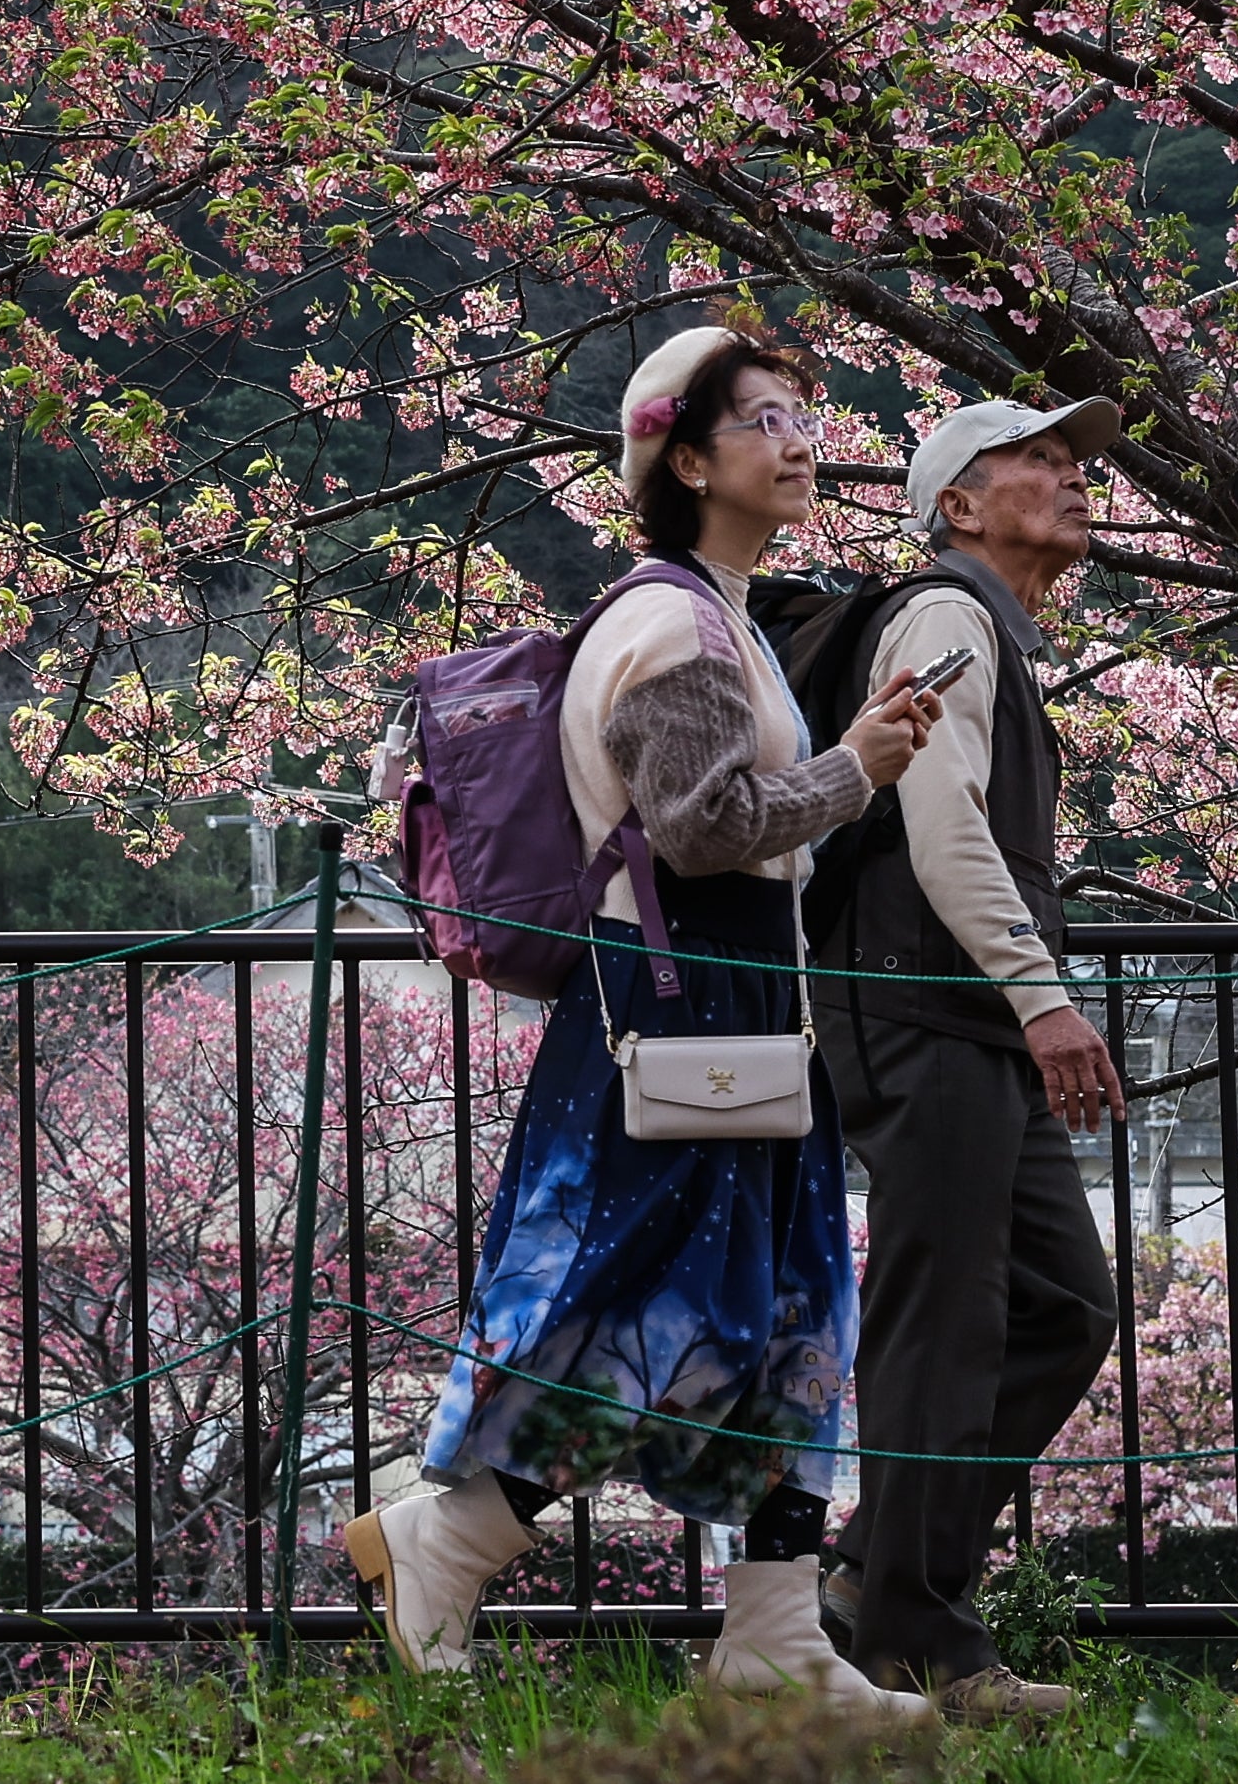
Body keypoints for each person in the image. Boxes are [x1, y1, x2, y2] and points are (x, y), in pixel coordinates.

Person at [343, 323, 941, 1708]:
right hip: (674, 999)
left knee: (780, 1309)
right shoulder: (673, 623)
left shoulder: (710, 607)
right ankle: (446, 1541)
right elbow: (701, 824)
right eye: (765, 420)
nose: (799, 440)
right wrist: (856, 769)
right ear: (682, 456)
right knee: (634, 1311)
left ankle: (777, 1638)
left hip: (718, 1001)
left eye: (804, 414)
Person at [812, 398, 1133, 1723]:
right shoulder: (942, 619)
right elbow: (945, 833)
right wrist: (1043, 1000)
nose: (1069, 477)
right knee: (938, 1325)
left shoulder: (984, 625)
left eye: (1073, 460)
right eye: (1036, 462)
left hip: (963, 1022)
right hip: (926, 1011)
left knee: (1061, 1307)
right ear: (955, 504)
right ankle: (923, 1642)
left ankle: (875, 1585)